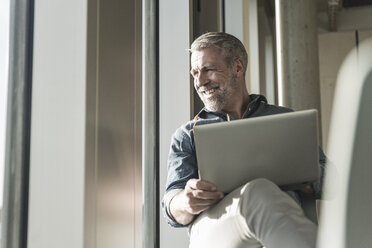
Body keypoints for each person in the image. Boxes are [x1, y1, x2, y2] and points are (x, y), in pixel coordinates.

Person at [162, 32, 326, 248]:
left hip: (276, 228)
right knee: (258, 193)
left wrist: (297, 177)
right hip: (214, 230)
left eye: (208, 70)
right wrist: (187, 201)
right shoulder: (187, 134)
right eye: (195, 73)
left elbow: (331, 181)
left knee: (262, 192)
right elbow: (171, 206)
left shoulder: (283, 119)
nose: (200, 81)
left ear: (237, 68)